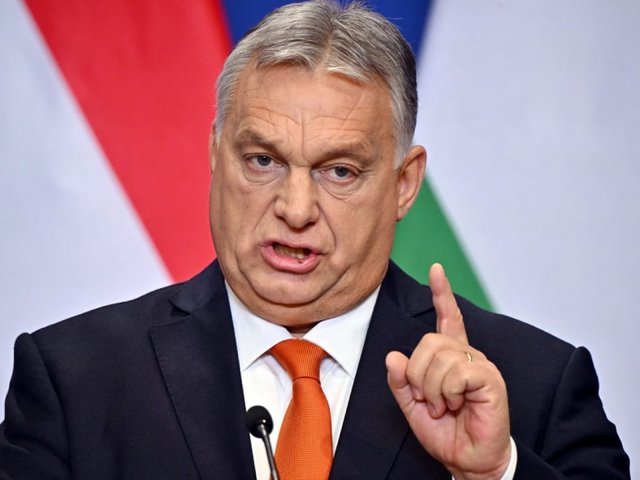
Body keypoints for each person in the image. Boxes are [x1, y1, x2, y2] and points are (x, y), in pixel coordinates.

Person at [0, 1, 630, 479]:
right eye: (263, 160)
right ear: (215, 155)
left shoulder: (534, 384)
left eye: (340, 171)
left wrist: (495, 473)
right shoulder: (74, 380)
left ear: (404, 184)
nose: (295, 209)